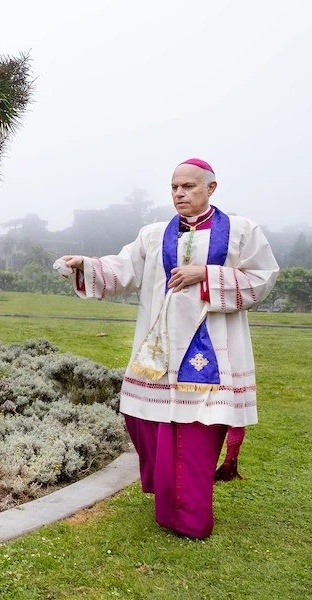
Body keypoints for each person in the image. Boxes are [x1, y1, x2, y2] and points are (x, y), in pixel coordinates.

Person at [56, 158, 279, 539]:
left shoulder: (242, 231)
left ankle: (192, 521)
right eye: (175, 187)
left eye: (189, 186)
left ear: (211, 188)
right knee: (147, 423)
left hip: (215, 354)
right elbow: (125, 269)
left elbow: (262, 279)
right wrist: (86, 266)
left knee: (196, 434)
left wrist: (205, 274)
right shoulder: (154, 234)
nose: (179, 193)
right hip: (160, 354)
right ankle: (169, 508)